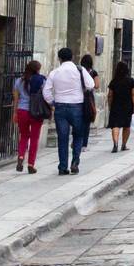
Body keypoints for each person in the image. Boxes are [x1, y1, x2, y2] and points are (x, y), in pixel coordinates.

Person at [43, 47, 95, 175]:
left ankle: (62, 167)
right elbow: (91, 85)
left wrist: (52, 102)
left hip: (60, 107)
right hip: (77, 106)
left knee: (62, 137)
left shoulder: (55, 72)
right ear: (72, 57)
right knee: (78, 135)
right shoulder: (80, 70)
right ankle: (75, 161)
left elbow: (46, 91)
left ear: (59, 58)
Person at [11, 59, 46, 173]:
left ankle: (21, 157)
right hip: (36, 112)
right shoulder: (41, 80)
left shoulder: (19, 81)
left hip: (22, 111)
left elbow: (16, 99)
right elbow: (46, 95)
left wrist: (15, 112)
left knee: (24, 136)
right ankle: (31, 164)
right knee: (34, 139)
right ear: (37, 70)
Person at [107, 61, 134, 153]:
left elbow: (110, 95)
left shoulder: (114, 81)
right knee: (126, 126)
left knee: (115, 125)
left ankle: (115, 144)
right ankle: (123, 145)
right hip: (127, 105)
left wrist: (110, 105)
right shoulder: (131, 81)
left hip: (116, 105)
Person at [77, 54, 101, 152]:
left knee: (78, 120)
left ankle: (76, 140)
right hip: (88, 98)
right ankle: (84, 144)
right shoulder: (93, 72)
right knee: (86, 121)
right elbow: (97, 86)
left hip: (77, 96)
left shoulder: (78, 71)